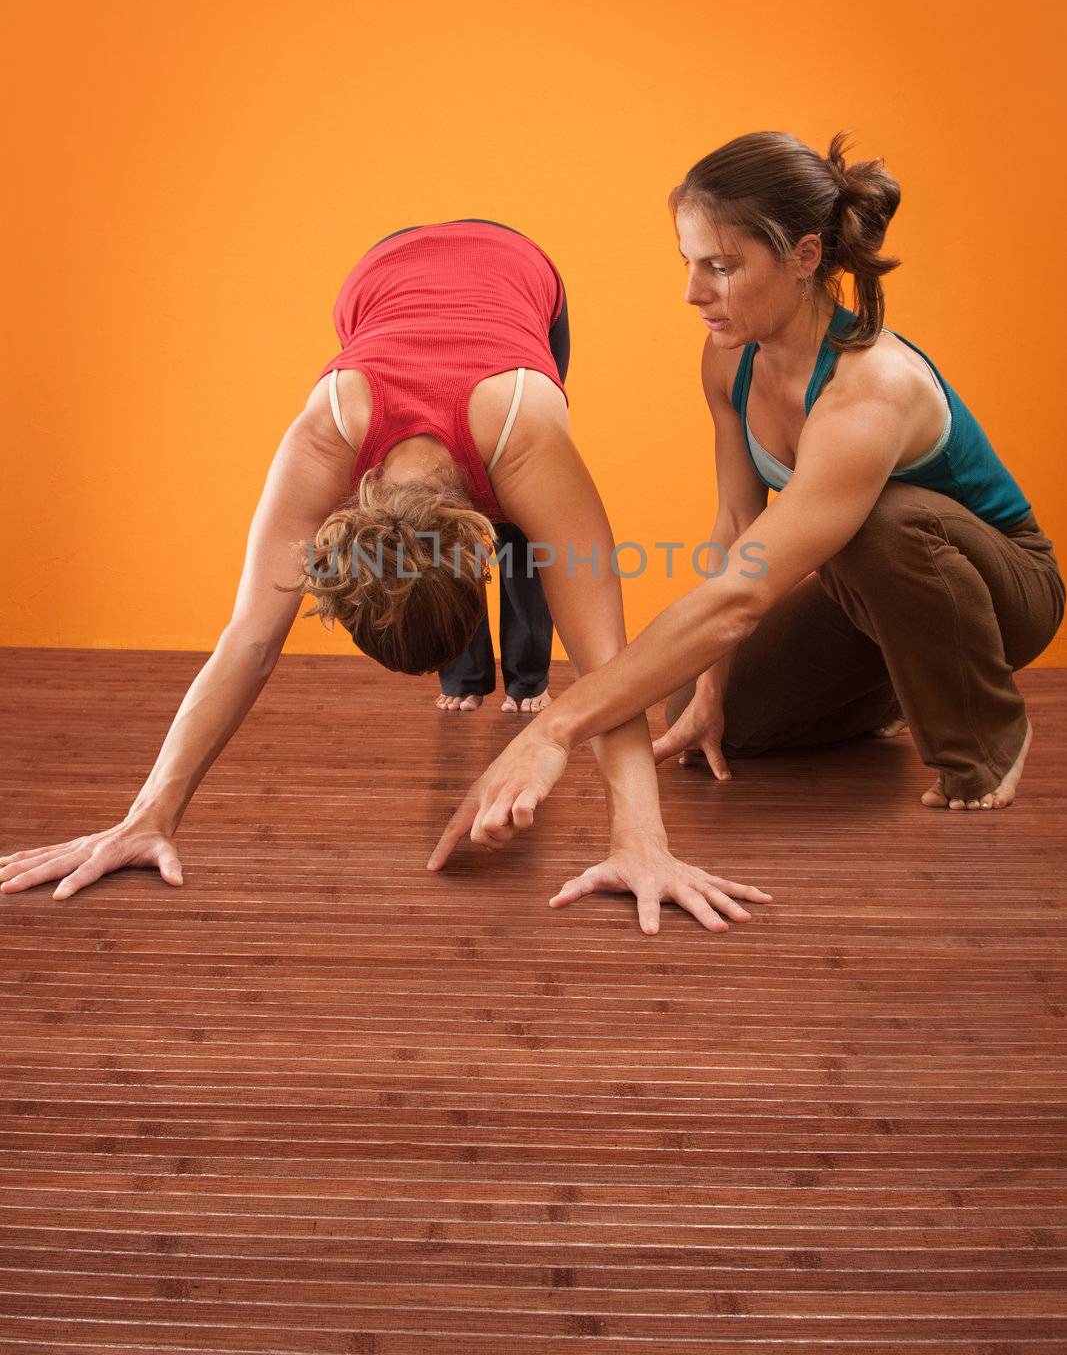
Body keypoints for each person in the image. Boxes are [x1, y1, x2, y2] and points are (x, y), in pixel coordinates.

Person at [0, 216, 771, 933]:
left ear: (475, 547)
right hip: (379, 277)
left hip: (519, 268)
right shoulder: (321, 440)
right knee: (536, 533)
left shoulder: (527, 438)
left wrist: (642, 841)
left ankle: (515, 613)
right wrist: (146, 817)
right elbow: (247, 642)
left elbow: (608, 662)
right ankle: (488, 662)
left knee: (544, 549)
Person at [428, 132, 1065, 887]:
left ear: (802, 256)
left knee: (881, 522)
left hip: (1001, 595)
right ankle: (904, 676)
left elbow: (747, 591)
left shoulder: (869, 389)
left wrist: (555, 729)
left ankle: (983, 738)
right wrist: (709, 692)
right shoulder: (730, 355)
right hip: (864, 596)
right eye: (688, 263)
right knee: (723, 719)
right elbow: (736, 529)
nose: (693, 292)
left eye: (721, 267)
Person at [364, 222, 560, 715]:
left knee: (521, 527)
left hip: (519, 269)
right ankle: (464, 676)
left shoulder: (520, 413)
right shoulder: (348, 423)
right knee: (432, 542)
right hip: (385, 274)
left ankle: (528, 680)